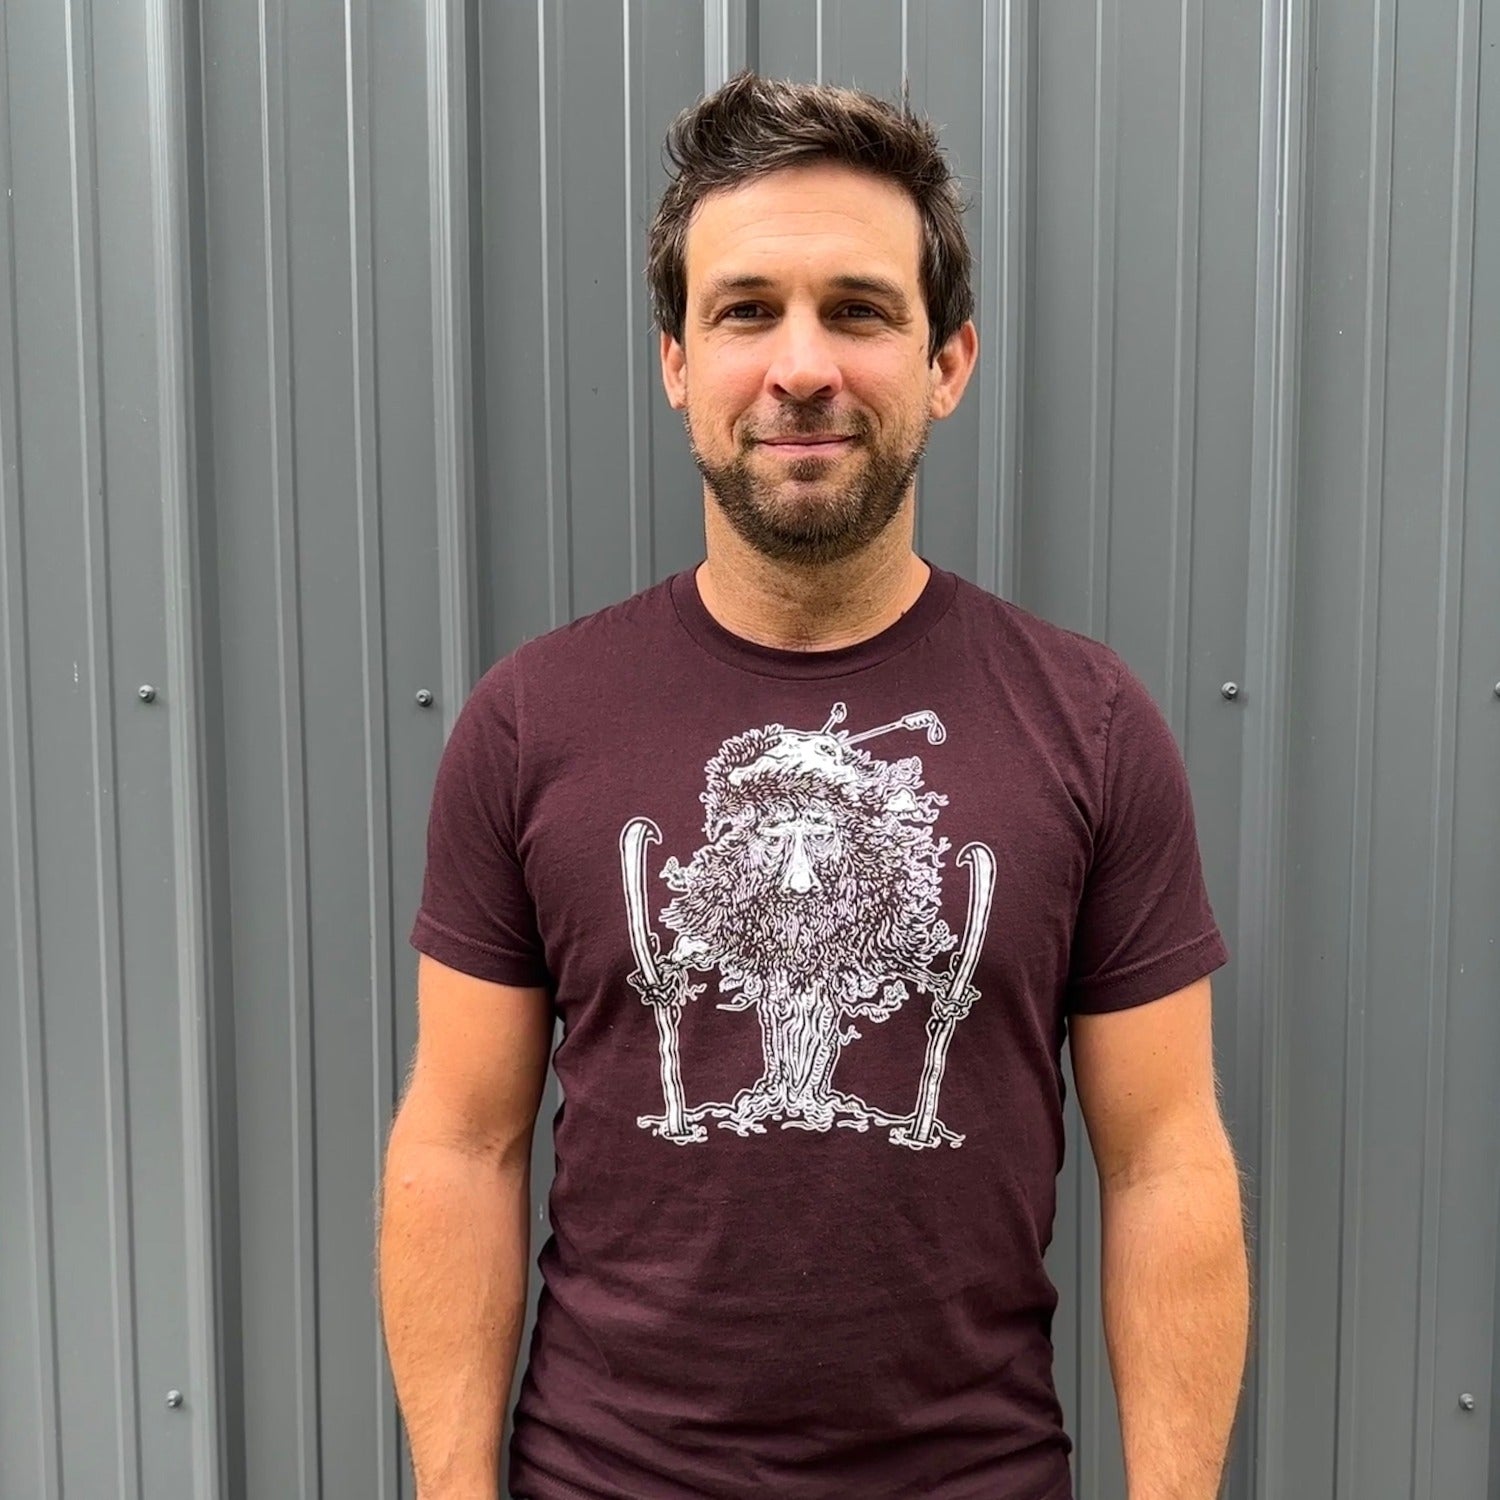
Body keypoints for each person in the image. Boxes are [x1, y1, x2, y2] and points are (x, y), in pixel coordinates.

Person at [379, 73, 1249, 1500]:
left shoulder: (1088, 723)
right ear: (675, 362)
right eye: (745, 311)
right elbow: (461, 1143)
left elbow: (1165, 1161)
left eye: (857, 309)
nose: (800, 367)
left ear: (947, 361)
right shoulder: (533, 722)